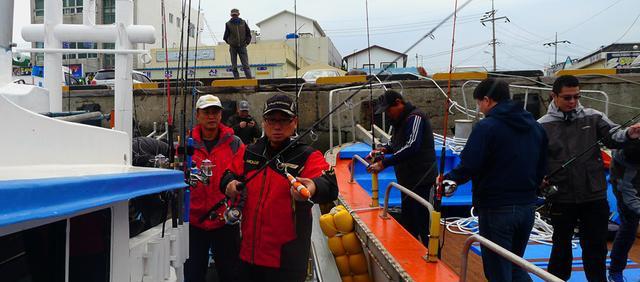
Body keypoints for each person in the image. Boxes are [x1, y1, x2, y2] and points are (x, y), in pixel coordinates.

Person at [221, 94, 338, 282]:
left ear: (294, 122)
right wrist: (229, 184)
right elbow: (228, 174)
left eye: (284, 120)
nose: (277, 126)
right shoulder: (250, 151)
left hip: (287, 260)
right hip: (247, 254)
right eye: (271, 120)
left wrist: (312, 187)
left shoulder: (308, 155)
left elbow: (330, 185)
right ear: (264, 122)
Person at [538, 75, 640, 281]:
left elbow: (613, 136)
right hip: (561, 197)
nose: (573, 102)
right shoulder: (541, 125)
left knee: (595, 246)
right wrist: (539, 178)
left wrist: (629, 133)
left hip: (593, 196)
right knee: (560, 245)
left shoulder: (594, 116)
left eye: (577, 96)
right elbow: (534, 158)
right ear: (554, 96)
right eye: (567, 98)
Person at [444, 78, 548, 282]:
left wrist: (449, 179)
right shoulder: (536, 127)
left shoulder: (487, 127)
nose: (479, 108)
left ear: (487, 100)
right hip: (527, 207)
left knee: (497, 270)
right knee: (515, 265)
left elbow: (470, 164)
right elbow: (542, 165)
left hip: (496, 209)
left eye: (479, 103)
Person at [184, 94, 245, 282]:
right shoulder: (187, 144)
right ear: (198, 115)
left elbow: (244, 177)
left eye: (215, 112)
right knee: (193, 273)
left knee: (230, 273)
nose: (211, 116)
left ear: (221, 115)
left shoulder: (235, 143)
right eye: (207, 112)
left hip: (225, 220)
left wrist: (239, 208)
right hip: (194, 221)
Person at [366, 89, 437, 245]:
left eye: (388, 110)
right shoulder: (399, 121)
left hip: (422, 179)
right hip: (407, 181)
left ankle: (433, 259)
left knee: (425, 223)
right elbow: (395, 144)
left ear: (398, 103)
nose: (387, 114)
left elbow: (412, 146)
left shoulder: (415, 117)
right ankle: (412, 256)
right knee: (409, 222)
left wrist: (384, 163)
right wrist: (383, 150)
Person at [608, 140, 640, 282]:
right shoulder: (625, 173)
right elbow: (630, 201)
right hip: (628, 188)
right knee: (629, 226)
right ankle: (615, 271)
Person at [223, 8, 252, 79]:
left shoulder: (243, 22)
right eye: (233, 15)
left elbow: (248, 34)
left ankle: (249, 79)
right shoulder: (228, 24)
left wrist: (247, 43)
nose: (234, 16)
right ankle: (236, 79)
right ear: (231, 15)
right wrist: (230, 43)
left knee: (246, 65)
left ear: (238, 14)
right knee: (234, 66)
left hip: (242, 47)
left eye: (235, 15)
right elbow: (225, 37)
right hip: (233, 48)